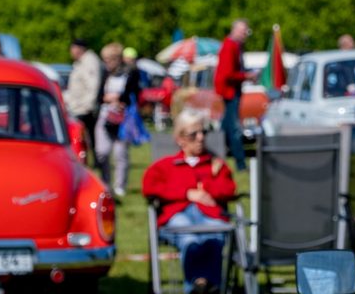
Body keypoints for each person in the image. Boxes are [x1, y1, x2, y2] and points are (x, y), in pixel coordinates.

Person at [142, 112, 236, 293]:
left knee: (214, 236)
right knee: (190, 240)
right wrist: (186, 193)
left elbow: (229, 190)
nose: (200, 138)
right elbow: (150, 189)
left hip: (209, 215)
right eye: (194, 134)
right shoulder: (166, 166)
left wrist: (208, 185)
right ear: (180, 139)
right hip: (177, 215)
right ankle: (201, 284)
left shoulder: (215, 164)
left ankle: (202, 285)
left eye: (203, 133)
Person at [95, 43, 140, 198]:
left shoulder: (130, 73)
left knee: (120, 153)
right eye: (105, 60)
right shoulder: (104, 74)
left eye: (109, 59)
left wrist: (119, 99)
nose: (107, 63)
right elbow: (99, 96)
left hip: (123, 118)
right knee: (102, 152)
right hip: (105, 115)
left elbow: (134, 94)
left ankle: (120, 186)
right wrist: (106, 99)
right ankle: (105, 183)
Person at [214, 18, 256, 170]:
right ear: (236, 30)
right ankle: (240, 163)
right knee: (235, 129)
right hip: (229, 92)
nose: (245, 34)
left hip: (231, 91)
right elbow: (227, 74)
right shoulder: (230, 46)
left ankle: (215, 155)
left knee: (225, 128)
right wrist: (246, 76)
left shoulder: (235, 46)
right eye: (243, 31)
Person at [64, 39, 103, 163]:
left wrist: (88, 105)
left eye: (73, 48)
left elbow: (93, 85)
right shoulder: (80, 62)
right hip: (78, 106)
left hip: (84, 108)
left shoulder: (89, 61)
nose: (71, 51)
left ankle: (94, 161)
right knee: (84, 138)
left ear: (79, 48)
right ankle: (86, 159)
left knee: (86, 137)